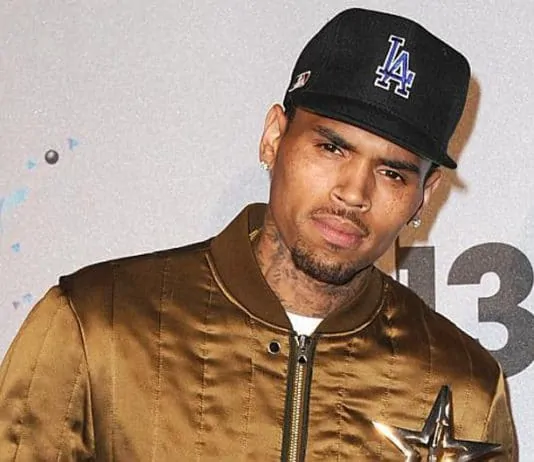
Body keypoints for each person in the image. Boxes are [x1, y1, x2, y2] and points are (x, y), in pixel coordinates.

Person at [0, 7, 517, 462]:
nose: (354, 192)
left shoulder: (464, 386)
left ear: (425, 195)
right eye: (331, 148)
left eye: (392, 173)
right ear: (274, 137)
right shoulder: (94, 324)